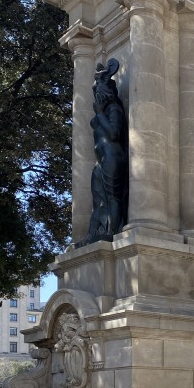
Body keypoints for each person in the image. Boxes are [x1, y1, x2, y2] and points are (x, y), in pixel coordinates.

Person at [77, 59, 128, 247]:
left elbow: (114, 133)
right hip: (101, 160)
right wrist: (99, 113)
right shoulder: (104, 109)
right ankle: (92, 234)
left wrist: (99, 113)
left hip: (113, 157)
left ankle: (112, 232)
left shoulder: (114, 109)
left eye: (98, 88)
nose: (95, 92)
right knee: (98, 200)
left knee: (113, 195)